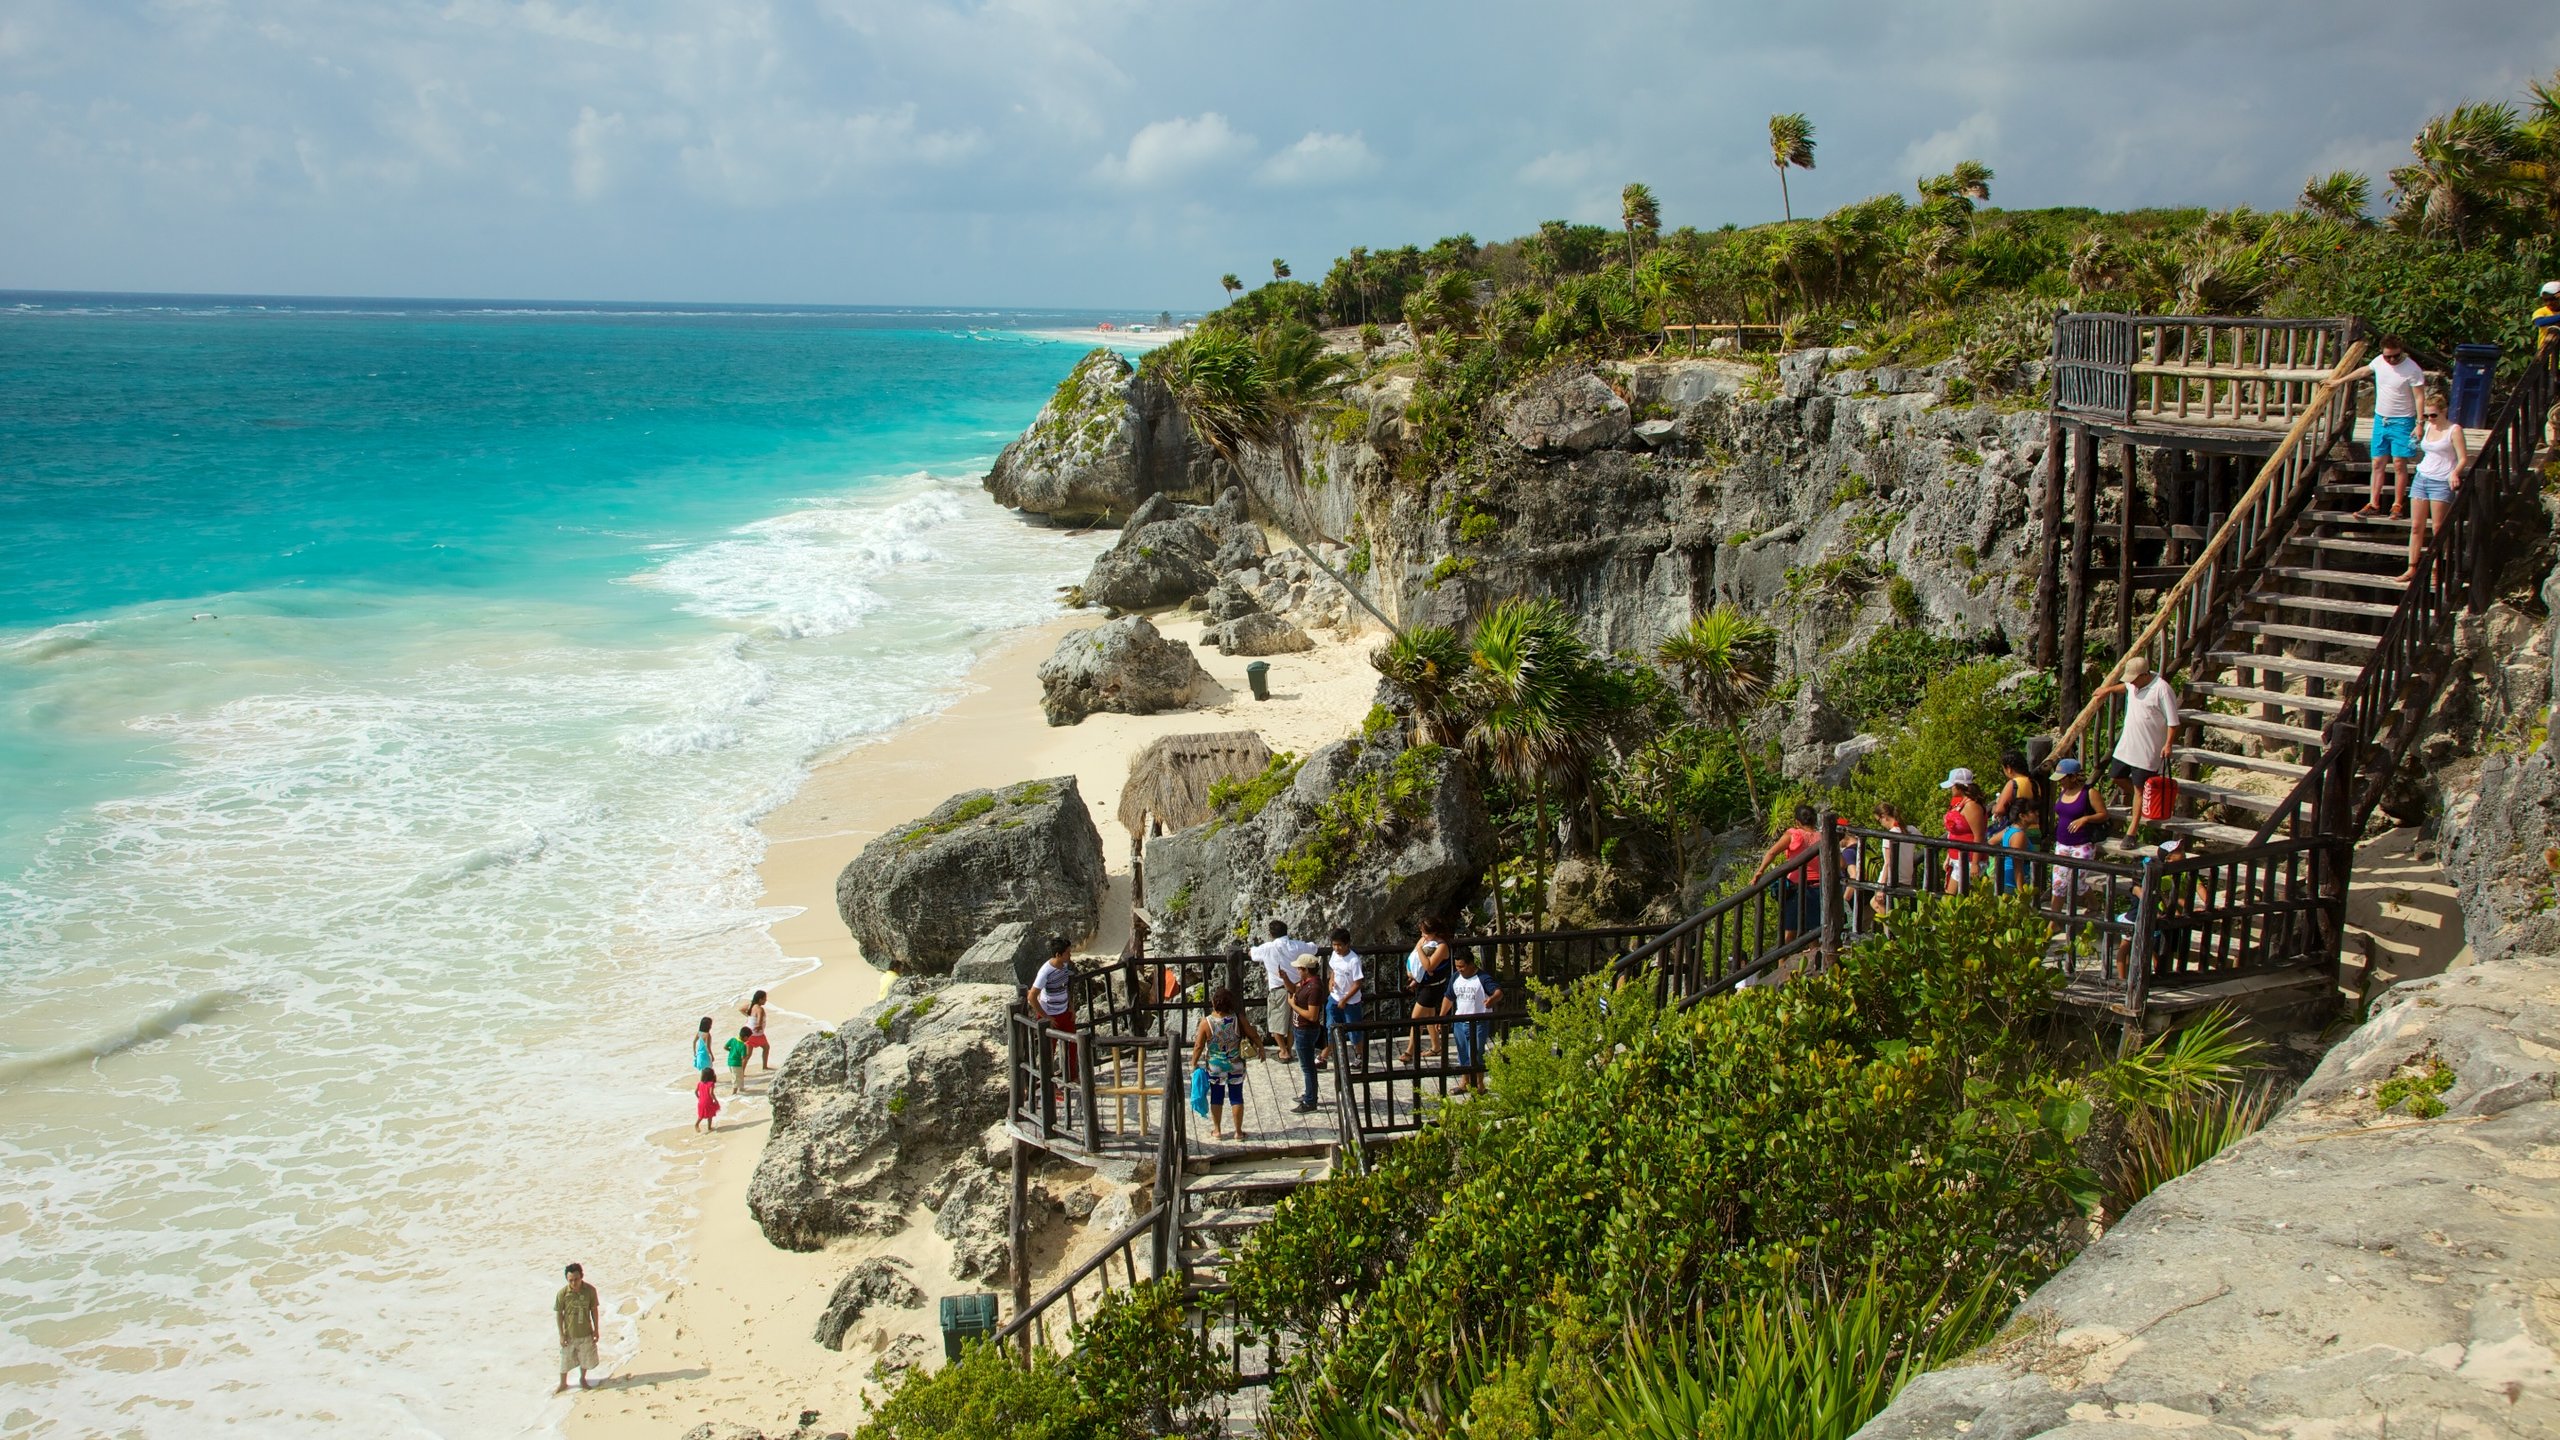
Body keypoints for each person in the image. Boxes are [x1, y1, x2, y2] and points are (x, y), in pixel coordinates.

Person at [2090, 655, 2179, 813]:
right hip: (2128, 745)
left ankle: (2131, 832)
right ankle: (2148, 799)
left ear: (2145, 675)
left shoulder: (2162, 689)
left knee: (2139, 789)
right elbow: (2125, 687)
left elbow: (2173, 722)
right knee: (2116, 775)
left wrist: (2168, 744)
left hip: (2147, 749)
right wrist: (2108, 690)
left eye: (2134, 679)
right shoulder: (2133, 684)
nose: (2131, 682)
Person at [2398, 393, 2468, 583]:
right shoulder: (2428, 426)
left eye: (2434, 415)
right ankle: (2411, 567)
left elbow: (2463, 458)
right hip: (2423, 476)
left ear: (2444, 411)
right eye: (2427, 415)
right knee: (2416, 526)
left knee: (2438, 527)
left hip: (2441, 479)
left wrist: (2455, 473)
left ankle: (2437, 568)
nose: (2430, 419)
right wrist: (2419, 425)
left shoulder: (2454, 430)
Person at [2358, 335, 2427, 520]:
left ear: (2401, 351)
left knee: (2398, 463)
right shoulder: (2379, 361)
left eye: (2395, 356)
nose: (2391, 360)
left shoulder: (2412, 368)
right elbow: (2364, 370)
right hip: (2381, 419)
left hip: (2403, 420)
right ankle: (2373, 503)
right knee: (2377, 463)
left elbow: (2420, 396)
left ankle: (2397, 504)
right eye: (2388, 356)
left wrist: (2420, 423)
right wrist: (2339, 380)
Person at [1190, 987, 1262, 1143]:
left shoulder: (1206, 1022)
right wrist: (1260, 1048)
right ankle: (1238, 1132)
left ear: (1214, 1003)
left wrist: (1193, 1063)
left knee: (1217, 1097)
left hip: (1215, 1066)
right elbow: (1252, 1034)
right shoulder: (1238, 1018)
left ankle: (1217, 1131)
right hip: (1236, 1064)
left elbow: (1198, 1046)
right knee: (1236, 1097)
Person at [1248, 920, 1320, 1063]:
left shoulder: (1267, 948)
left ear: (1270, 934)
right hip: (1297, 988)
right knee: (1293, 1021)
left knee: (1276, 1022)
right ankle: (1289, 1047)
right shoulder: (1297, 946)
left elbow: (1252, 953)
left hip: (1278, 989)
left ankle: (1283, 1051)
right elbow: (1314, 948)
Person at [1749, 804, 1824, 939]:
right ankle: (1814, 958)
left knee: (1789, 931)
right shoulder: (1823, 837)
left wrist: (1760, 871)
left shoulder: (1793, 835)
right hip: (1818, 888)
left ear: (1797, 821)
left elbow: (1772, 852)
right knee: (1813, 931)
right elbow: (1840, 863)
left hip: (1796, 888)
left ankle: (1782, 960)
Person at [1442, 948, 1504, 1092]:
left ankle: (1480, 1085)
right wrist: (1442, 1016)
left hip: (1477, 1023)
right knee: (1463, 1053)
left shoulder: (1482, 978)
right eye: (1457, 966)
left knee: (1476, 1054)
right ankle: (1465, 1082)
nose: (1459, 970)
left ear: (1471, 964)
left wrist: (1491, 1000)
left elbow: (1498, 992)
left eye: (1462, 966)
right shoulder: (1455, 977)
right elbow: (1449, 997)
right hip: (1459, 1022)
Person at [1987, 751, 2050, 893]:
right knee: (2031, 867)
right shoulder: (2034, 783)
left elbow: (1999, 810)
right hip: (2035, 830)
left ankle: (2019, 892)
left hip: (2018, 828)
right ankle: (2031, 895)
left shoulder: (2013, 783)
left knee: (2018, 865)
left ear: (2009, 768)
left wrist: (1996, 806)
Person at [2048, 758, 2109, 904]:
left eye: (2063, 778)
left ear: (2073, 777)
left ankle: (2094, 904)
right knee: (2058, 883)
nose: (2060, 782)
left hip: (2082, 844)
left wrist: (2085, 819)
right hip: (2062, 843)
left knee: (2077, 883)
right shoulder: (2064, 791)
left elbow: (2103, 814)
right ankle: (2053, 922)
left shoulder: (2089, 793)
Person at [1398, 920, 1453, 1063]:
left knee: (1416, 1019)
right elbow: (1415, 957)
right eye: (1422, 932)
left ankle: (1409, 1051)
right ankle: (1436, 1047)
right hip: (1424, 983)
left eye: (1426, 933)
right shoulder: (1424, 940)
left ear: (1434, 932)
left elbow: (1429, 966)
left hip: (1433, 987)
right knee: (1429, 1016)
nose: (1423, 935)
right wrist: (1413, 975)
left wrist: (1421, 950)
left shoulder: (1441, 946)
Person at [1025, 935, 1078, 1082]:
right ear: (1058, 955)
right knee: (1048, 1052)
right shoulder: (1045, 972)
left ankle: (1072, 1077)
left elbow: (1066, 987)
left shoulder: (1065, 966)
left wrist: (1071, 1007)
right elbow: (1032, 996)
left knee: (1072, 1046)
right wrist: (1046, 1017)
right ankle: (1050, 1086)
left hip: (1064, 1012)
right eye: (1067, 952)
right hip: (1051, 1015)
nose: (1070, 954)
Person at [1317, 928, 1364, 1070]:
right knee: (1331, 1027)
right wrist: (1331, 981)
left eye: (1339, 945)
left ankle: (1359, 1055)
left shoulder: (1354, 961)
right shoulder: (1334, 955)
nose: (1336, 948)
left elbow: (1358, 983)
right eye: (1334, 945)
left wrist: (1345, 999)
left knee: (1353, 1030)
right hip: (1334, 997)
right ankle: (1325, 1056)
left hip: (1351, 1001)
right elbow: (1334, 970)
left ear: (1347, 944)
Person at [1287, 952, 1326, 1114]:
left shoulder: (1314, 987)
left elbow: (1312, 1015)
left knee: (1308, 1067)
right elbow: (1292, 988)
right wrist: (1284, 978)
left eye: (1299, 969)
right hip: (1300, 1029)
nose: (1297, 971)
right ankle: (1309, 1094)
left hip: (1306, 1031)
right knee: (1307, 1066)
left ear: (1305, 969)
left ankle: (1310, 1101)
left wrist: (1292, 1005)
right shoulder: (1307, 983)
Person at [1940, 769, 1990, 893]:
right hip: (1957, 857)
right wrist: (1948, 857)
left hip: (1968, 859)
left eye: (1952, 786)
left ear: (1959, 786)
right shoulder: (1961, 802)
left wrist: (1974, 863)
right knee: (1952, 896)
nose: (1951, 789)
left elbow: (1979, 836)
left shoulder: (1972, 806)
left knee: (1953, 897)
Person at [554, 1263, 600, 1394]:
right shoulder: (562, 1294)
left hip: (586, 1332)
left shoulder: (590, 1291)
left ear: (581, 1277)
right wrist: (561, 1335)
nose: (574, 1283)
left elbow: (594, 1310)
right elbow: (559, 1314)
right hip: (569, 1334)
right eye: (570, 1280)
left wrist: (596, 1329)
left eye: (576, 1279)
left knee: (584, 1359)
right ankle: (563, 1383)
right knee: (565, 1360)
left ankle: (582, 1379)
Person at [1869, 800, 1920, 918]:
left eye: (1879, 821)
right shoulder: (1911, 829)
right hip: (1907, 877)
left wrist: (1881, 887)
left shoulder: (1890, 835)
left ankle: (1892, 932)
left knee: (1876, 903)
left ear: (1884, 817)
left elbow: (1888, 863)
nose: (1880, 824)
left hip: (1892, 879)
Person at [738, 989, 771, 1071]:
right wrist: (759, 1025)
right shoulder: (760, 1009)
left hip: (748, 1033)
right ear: (760, 999)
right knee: (766, 1048)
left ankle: (741, 1072)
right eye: (764, 998)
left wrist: (749, 1017)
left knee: (748, 1055)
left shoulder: (750, 1005)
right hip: (757, 1034)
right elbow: (759, 1018)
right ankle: (765, 1067)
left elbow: (740, 1009)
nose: (766, 1000)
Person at [694, 1066, 720, 1133]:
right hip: (708, 1102)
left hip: (701, 1102)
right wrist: (716, 1100)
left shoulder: (700, 1083)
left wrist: (699, 1098)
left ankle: (697, 1124)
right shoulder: (711, 1084)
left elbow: (695, 1092)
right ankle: (709, 1127)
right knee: (710, 1115)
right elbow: (711, 1093)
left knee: (701, 1115)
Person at [724, 1026, 750, 1095]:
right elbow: (743, 1057)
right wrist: (747, 1055)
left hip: (730, 1062)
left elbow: (725, 1047)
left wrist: (731, 1051)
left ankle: (741, 1088)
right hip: (737, 1063)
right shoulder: (743, 1045)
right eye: (748, 1037)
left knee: (738, 1076)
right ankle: (734, 1093)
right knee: (736, 1077)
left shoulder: (733, 1039)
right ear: (745, 1037)